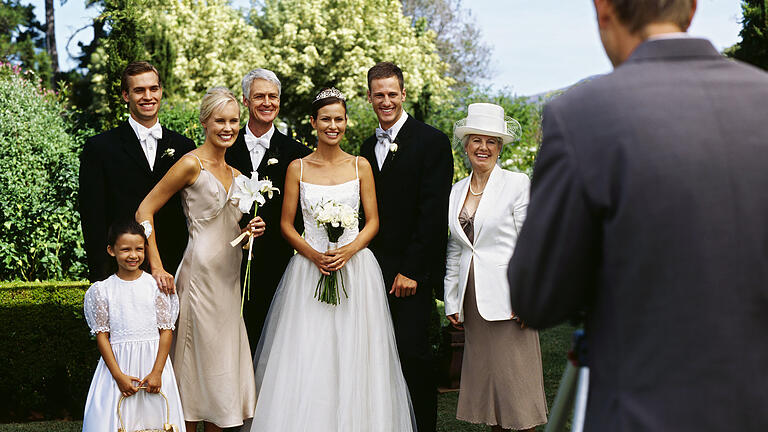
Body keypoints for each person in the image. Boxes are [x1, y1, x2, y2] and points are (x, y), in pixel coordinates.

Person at [507, 1, 768, 430]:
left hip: (643, 412)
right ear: (693, 8)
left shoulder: (583, 115)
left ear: (603, 9)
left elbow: (537, 295)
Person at [249, 88, 415, 431]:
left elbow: (373, 222)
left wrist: (348, 250)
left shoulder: (360, 165)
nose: (333, 125)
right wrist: (312, 253)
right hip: (309, 270)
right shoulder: (297, 167)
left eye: (339, 118)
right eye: (326, 119)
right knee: (310, 351)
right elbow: (285, 224)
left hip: (355, 269)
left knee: (355, 352)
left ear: (346, 122)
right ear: (313, 123)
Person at [136, 87, 264, 431]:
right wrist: (157, 265)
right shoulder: (190, 164)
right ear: (205, 122)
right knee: (194, 363)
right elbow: (144, 210)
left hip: (229, 277)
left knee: (221, 362)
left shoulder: (239, 176)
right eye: (220, 120)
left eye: (234, 120)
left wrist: (251, 230)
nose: (228, 127)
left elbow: (232, 228)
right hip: (198, 277)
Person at [360, 61, 453, 432]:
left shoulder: (431, 141)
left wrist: (411, 270)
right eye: (378, 95)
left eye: (392, 94)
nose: (386, 101)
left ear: (403, 93)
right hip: (372, 271)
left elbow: (433, 213)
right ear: (369, 97)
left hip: (410, 274)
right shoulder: (367, 147)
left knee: (413, 355)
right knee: (379, 356)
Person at [444, 103, 547, 432]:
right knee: (491, 398)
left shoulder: (517, 184)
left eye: (491, 141)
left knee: (518, 397)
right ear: (466, 145)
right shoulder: (456, 191)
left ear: (500, 147)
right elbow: (455, 248)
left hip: (509, 302)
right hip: (473, 303)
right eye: (477, 140)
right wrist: (451, 299)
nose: (483, 148)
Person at [80, 61, 195, 283]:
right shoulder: (100, 148)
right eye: (139, 90)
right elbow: (92, 218)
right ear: (126, 95)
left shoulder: (184, 147)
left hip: (175, 266)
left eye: (153, 89)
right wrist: (101, 277)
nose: (148, 96)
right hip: (122, 269)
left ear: (161, 91)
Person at [225, 68, 311, 352]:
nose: (267, 102)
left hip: (277, 262)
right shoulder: (225, 145)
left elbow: (302, 211)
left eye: (272, 97)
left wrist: (270, 228)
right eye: (259, 96)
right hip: (227, 262)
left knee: (272, 344)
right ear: (246, 101)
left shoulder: (297, 152)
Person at [82, 219, 184, 432]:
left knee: (156, 419)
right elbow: (102, 336)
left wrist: (157, 372)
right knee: (117, 419)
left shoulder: (155, 287)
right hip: (118, 368)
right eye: (125, 249)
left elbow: (166, 331)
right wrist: (118, 376)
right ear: (111, 250)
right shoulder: (102, 291)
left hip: (153, 365)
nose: (133, 255)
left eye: (139, 249)